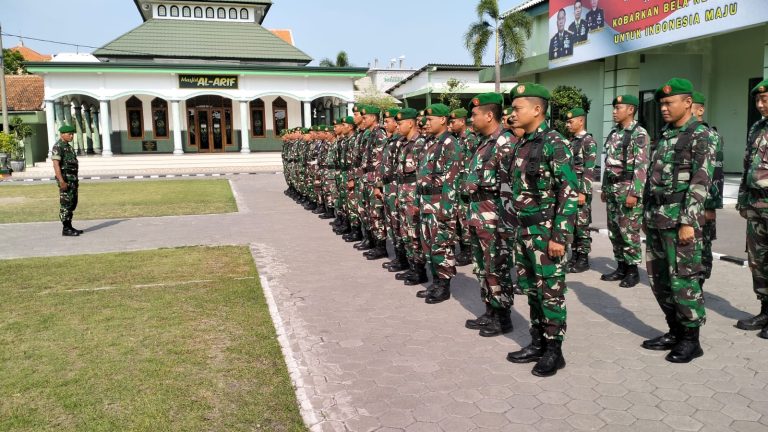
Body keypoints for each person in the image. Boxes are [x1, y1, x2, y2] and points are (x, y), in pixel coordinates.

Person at [503, 83, 578, 377]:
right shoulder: (524, 143)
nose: (512, 113)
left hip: (546, 233)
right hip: (524, 231)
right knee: (532, 292)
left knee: (551, 293)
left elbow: (568, 192)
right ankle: (537, 342)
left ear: (537, 110)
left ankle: (554, 351)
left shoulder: (555, 143)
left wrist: (559, 236)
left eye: (517, 108)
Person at [642, 78, 716, 363]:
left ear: (688, 103)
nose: (664, 107)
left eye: (669, 103)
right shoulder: (665, 135)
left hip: (680, 221)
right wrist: (645, 215)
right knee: (658, 280)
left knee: (683, 280)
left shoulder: (701, 135)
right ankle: (674, 330)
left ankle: (691, 340)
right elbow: (653, 179)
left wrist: (688, 221)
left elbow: (701, 181)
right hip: (657, 218)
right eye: (661, 103)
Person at [463, 93, 515, 336]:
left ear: (489, 115)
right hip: (477, 213)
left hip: (494, 215)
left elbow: (509, 187)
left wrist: (505, 222)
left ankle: (503, 317)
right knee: (482, 266)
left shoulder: (505, 143)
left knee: (497, 266)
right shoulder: (483, 142)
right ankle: (490, 310)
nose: (471, 119)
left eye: (474, 114)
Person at [601, 94, 649, 288]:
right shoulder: (614, 133)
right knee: (615, 230)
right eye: (614, 108)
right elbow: (608, 162)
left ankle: (632, 271)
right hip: (612, 188)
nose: (614, 112)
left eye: (618, 108)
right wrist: (604, 187)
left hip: (627, 188)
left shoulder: (639, 134)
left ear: (631, 110)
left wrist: (635, 193)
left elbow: (641, 166)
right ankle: (620, 266)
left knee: (629, 231)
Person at [416, 103, 461, 304]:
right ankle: (435, 281)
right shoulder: (430, 142)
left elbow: (452, 179)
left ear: (443, 120)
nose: (427, 123)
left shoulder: (450, 143)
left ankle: (444, 286)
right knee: (429, 245)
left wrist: (447, 207)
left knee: (441, 245)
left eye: (431, 119)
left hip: (440, 203)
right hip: (426, 201)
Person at [736, 79, 768, 339]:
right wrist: (742, 200)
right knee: (758, 261)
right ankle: (765, 309)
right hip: (756, 204)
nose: (759, 104)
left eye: (764, 99)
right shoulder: (757, 127)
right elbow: (748, 165)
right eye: (757, 100)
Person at [692, 92, 724, 289]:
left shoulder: (710, 135)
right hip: (686, 203)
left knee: (702, 245)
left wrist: (711, 206)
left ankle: (699, 284)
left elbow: (716, 172)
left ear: (699, 109)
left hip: (704, 202)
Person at [395, 109, 430, 286]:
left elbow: (422, 174)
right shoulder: (402, 143)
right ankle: (412, 267)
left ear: (410, 123)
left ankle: (420, 270)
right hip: (403, 191)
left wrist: (418, 199)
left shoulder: (421, 143)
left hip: (414, 193)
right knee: (405, 232)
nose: (397, 126)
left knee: (415, 233)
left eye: (400, 123)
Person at [564, 107, 597, 273]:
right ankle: (575, 255)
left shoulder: (588, 141)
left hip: (580, 190)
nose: (567, 124)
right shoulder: (572, 141)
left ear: (581, 121)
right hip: (571, 190)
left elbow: (589, 169)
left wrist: (583, 192)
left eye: (570, 121)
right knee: (573, 224)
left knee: (582, 225)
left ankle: (583, 258)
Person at [450, 108, 477, 267]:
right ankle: (463, 248)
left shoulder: (470, 139)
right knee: (459, 219)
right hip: (458, 186)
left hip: (466, 187)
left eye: (453, 121)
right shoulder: (458, 139)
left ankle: (469, 251)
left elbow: (473, 165)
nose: (451, 124)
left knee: (466, 220)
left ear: (462, 121)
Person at [52, 124, 83, 237]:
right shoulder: (58, 147)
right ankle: (66, 228)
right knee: (66, 204)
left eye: (72, 134)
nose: (71, 136)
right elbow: (56, 165)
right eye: (69, 134)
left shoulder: (68, 147)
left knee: (72, 203)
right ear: (62, 134)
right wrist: (61, 181)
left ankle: (69, 226)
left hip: (72, 181)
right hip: (65, 180)